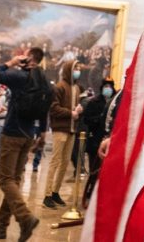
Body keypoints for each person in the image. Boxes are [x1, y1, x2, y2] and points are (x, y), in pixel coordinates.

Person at [0, 48, 44, 241]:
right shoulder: (42, 79)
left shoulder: (20, 77)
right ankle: (0, 226)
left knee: (4, 179)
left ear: (29, 59)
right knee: (14, 181)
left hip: (12, 132)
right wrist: (41, 133)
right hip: (29, 134)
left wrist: (11, 62)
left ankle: (25, 217)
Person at [43, 58, 81, 209]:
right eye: (75, 68)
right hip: (60, 129)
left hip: (72, 129)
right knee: (55, 161)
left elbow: (74, 108)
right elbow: (53, 108)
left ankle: (55, 192)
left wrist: (78, 111)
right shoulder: (59, 87)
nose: (78, 71)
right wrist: (71, 113)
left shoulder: (77, 88)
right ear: (68, 69)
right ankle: (46, 195)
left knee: (65, 163)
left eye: (79, 68)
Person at [81, 79, 115, 174]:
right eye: (106, 87)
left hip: (109, 140)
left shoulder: (115, 103)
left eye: (110, 87)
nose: (108, 89)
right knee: (94, 169)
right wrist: (99, 118)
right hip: (95, 139)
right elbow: (86, 119)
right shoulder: (93, 102)